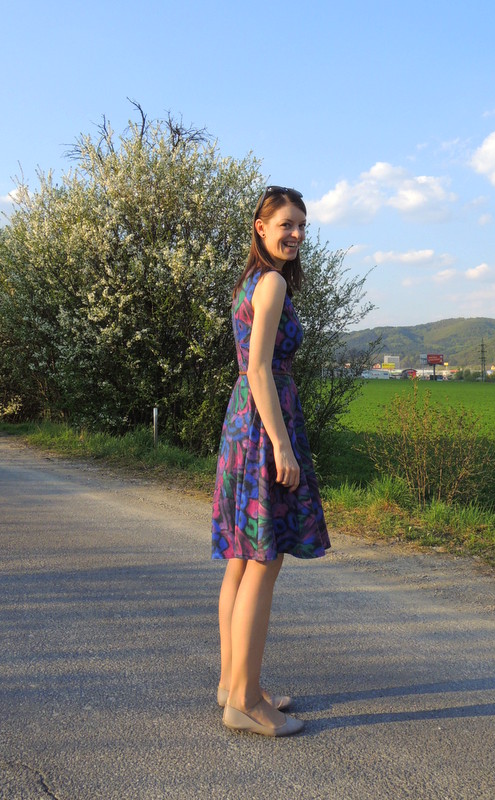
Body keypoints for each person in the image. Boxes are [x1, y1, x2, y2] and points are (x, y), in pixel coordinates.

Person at [211, 186, 331, 737]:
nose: (297, 234)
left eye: (302, 225)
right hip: (265, 422)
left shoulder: (253, 280)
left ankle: (235, 685)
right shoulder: (274, 282)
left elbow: (249, 368)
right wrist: (282, 445)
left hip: (244, 418)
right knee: (264, 559)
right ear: (261, 227)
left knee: (243, 559)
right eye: (287, 224)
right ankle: (244, 703)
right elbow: (260, 367)